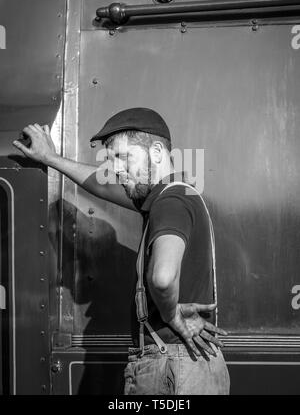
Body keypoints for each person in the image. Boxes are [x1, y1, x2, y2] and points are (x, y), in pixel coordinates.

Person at [13, 107, 230, 395]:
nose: (115, 168)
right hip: (183, 364)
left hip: (174, 366)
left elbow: (163, 278)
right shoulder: (172, 196)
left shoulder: (171, 202)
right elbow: (102, 186)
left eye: (123, 157)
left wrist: (172, 315)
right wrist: (50, 158)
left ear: (155, 152)